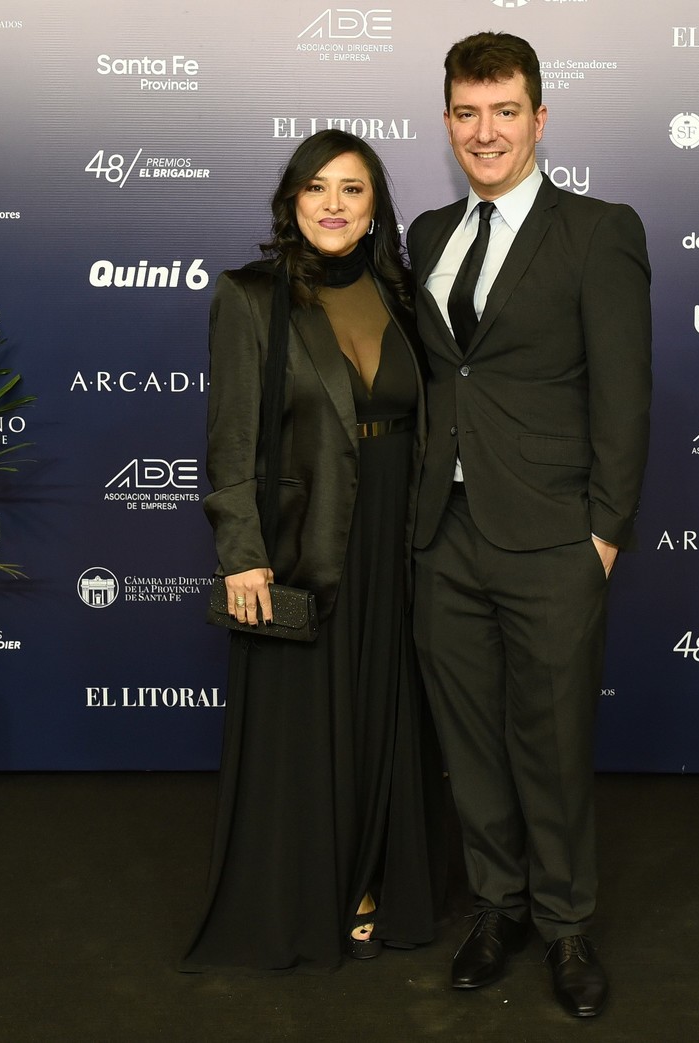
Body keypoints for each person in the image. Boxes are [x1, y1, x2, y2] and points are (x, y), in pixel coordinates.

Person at [407, 32, 652, 1018]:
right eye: (467, 113)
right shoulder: (427, 234)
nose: (484, 131)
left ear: (539, 119)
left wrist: (603, 531)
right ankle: (497, 905)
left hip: (553, 534)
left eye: (503, 111)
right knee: (469, 742)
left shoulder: (597, 230)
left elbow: (624, 395)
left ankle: (564, 926)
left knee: (550, 740)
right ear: (447, 121)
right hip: (443, 532)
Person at [181, 129, 438, 972]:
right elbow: (230, 437)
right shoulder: (251, 296)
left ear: (374, 209)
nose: (333, 203)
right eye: (316, 187)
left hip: (399, 535)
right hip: (302, 542)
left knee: (382, 711)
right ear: (291, 202)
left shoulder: (403, 294)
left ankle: (370, 879)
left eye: (353, 190)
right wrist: (240, 550)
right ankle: (301, 894)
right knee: (304, 722)